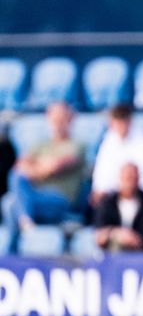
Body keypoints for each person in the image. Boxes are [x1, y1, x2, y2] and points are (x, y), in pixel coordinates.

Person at [2, 102, 86, 253]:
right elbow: (19, 167)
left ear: (70, 120)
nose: (58, 123)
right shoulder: (41, 145)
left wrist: (35, 167)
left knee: (12, 203)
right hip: (35, 197)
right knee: (10, 196)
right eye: (55, 119)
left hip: (60, 200)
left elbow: (55, 167)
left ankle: (14, 247)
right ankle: (25, 222)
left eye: (62, 118)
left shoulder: (77, 145)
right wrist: (44, 166)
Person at [91, 104, 143, 200]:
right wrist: (99, 190)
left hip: (138, 194)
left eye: (123, 122)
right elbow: (101, 174)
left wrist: (127, 189)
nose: (120, 127)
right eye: (117, 123)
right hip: (112, 194)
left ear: (130, 122)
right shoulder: (108, 141)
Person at [93, 163, 143, 252]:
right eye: (128, 178)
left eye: (134, 178)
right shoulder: (107, 203)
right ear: (120, 178)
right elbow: (100, 233)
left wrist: (132, 238)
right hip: (112, 250)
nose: (131, 183)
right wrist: (118, 234)